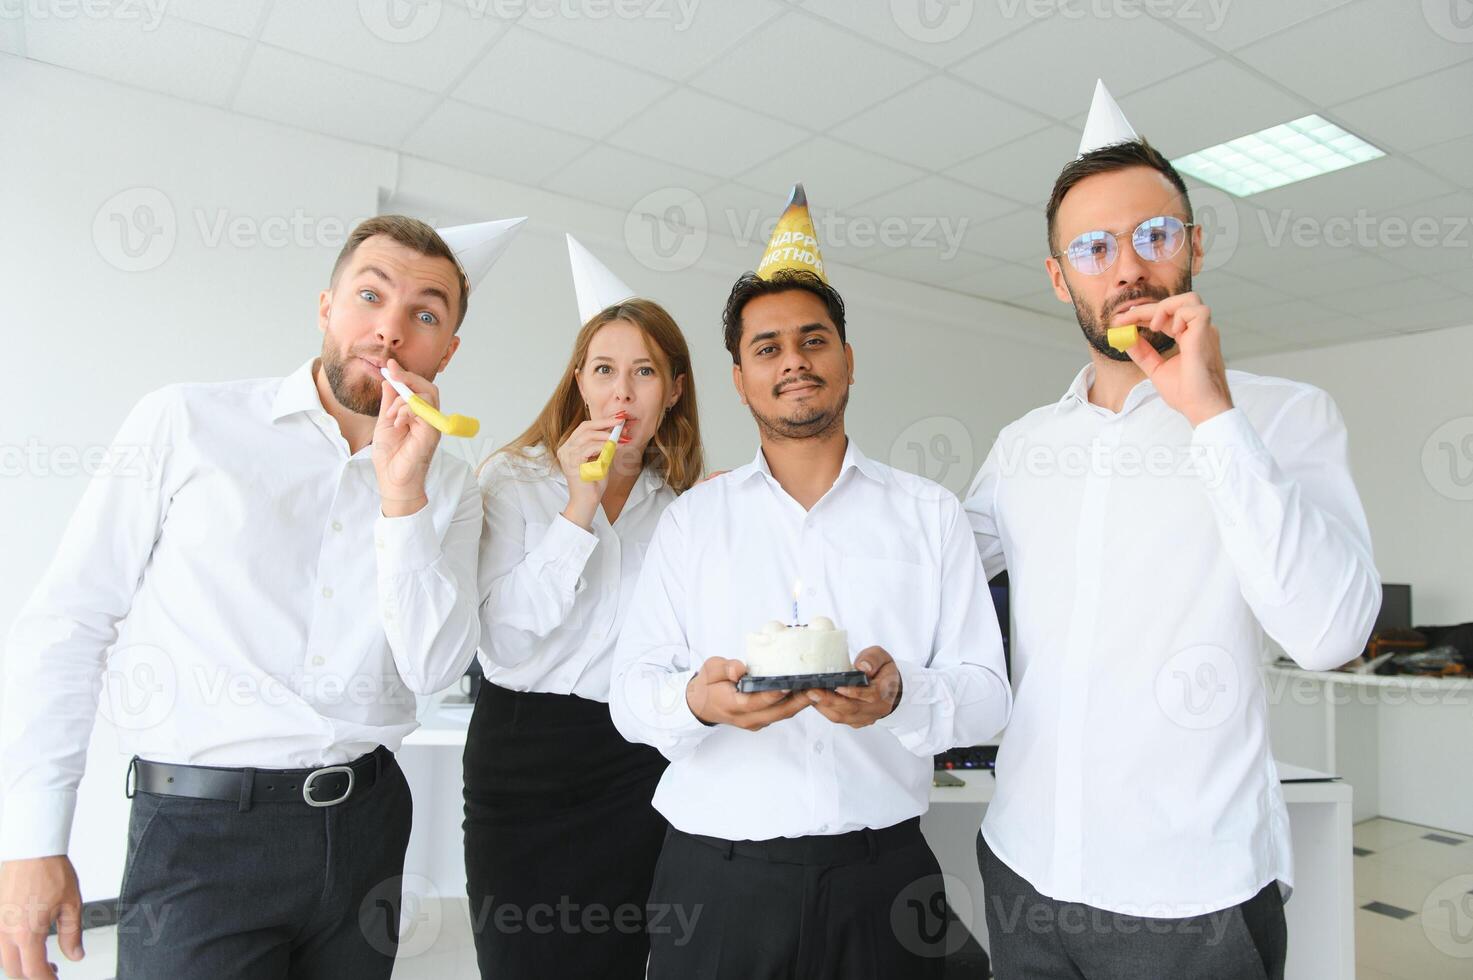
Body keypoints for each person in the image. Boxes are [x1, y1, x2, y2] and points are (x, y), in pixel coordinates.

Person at [0, 214, 522, 980]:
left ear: (447, 349)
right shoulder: (186, 422)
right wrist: (34, 838)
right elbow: (71, 620)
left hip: (366, 825)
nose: (389, 331)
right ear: (325, 307)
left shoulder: (446, 483)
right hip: (198, 838)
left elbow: (434, 668)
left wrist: (401, 497)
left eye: (425, 314)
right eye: (369, 296)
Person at [964, 81, 1380, 979]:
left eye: (1152, 234)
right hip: (1024, 869)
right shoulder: (1023, 446)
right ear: (1057, 276)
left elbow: (1329, 635)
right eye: (1092, 247)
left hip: (1192, 900)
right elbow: (931, 568)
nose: (1126, 268)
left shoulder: (1281, 417)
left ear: (1192, 245)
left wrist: (1210, 416)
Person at [610, 185, 1012, 980]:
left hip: (882, 877)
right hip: (716, 880)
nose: (793, 360)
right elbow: (629, 693)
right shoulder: (693, 522)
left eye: (813, 339)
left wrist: (899, 698)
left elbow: (988, 696)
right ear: (739, 378)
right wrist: (699, 701)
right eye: (766, 347)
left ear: (846, 358)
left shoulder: (928, 515)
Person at [465, 235, 704, 978]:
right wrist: (580, 505)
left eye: (642, 372)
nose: (622, 393)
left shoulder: (684, 510)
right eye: (604, 370)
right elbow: (502, 639)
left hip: (633, 761)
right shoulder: (513, 479)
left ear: (672, 388)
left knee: (620, 960)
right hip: (521, 756)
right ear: (579, 382)